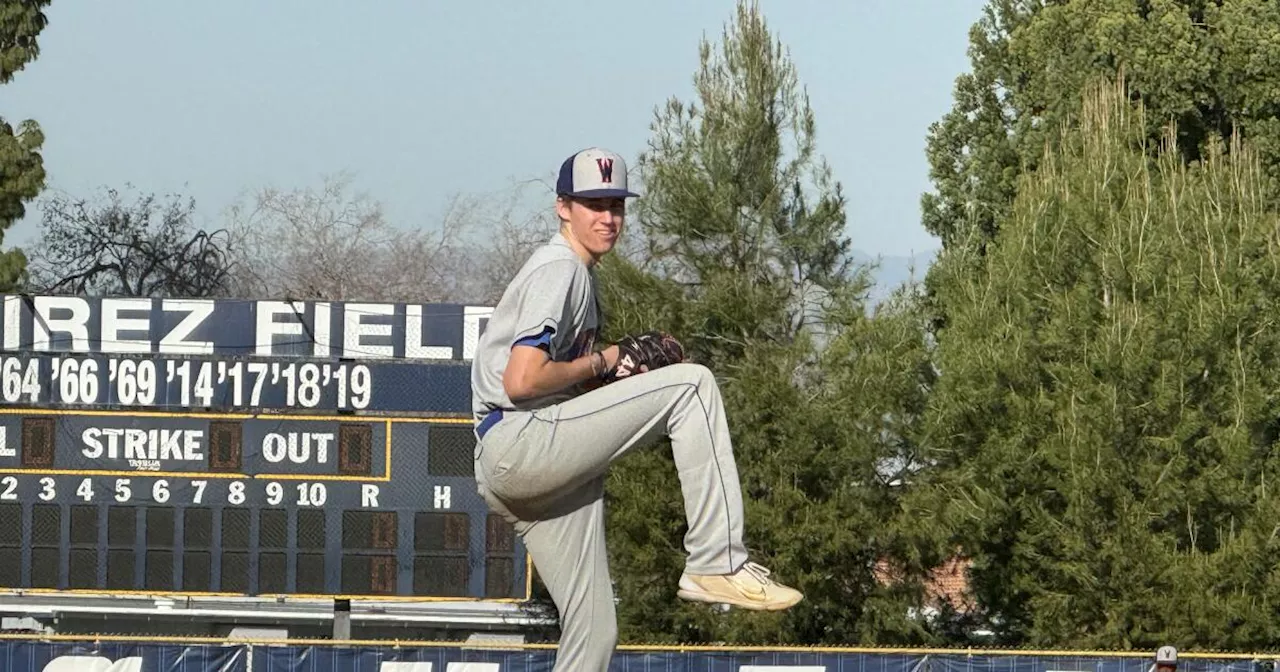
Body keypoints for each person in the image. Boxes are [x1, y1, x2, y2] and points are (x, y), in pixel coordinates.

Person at [469, 146, 803, 671]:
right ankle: (716, 561)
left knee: (595, 629)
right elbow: (522, 380)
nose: (607, 218)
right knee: (691, 386)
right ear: (563, 207)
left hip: (527, 459)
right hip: (521, 439)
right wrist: (606, 360)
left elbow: (556, 386)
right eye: (593, 204)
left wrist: (610, 373)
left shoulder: (580, 275)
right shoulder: (561, 269)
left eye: (616, 206)